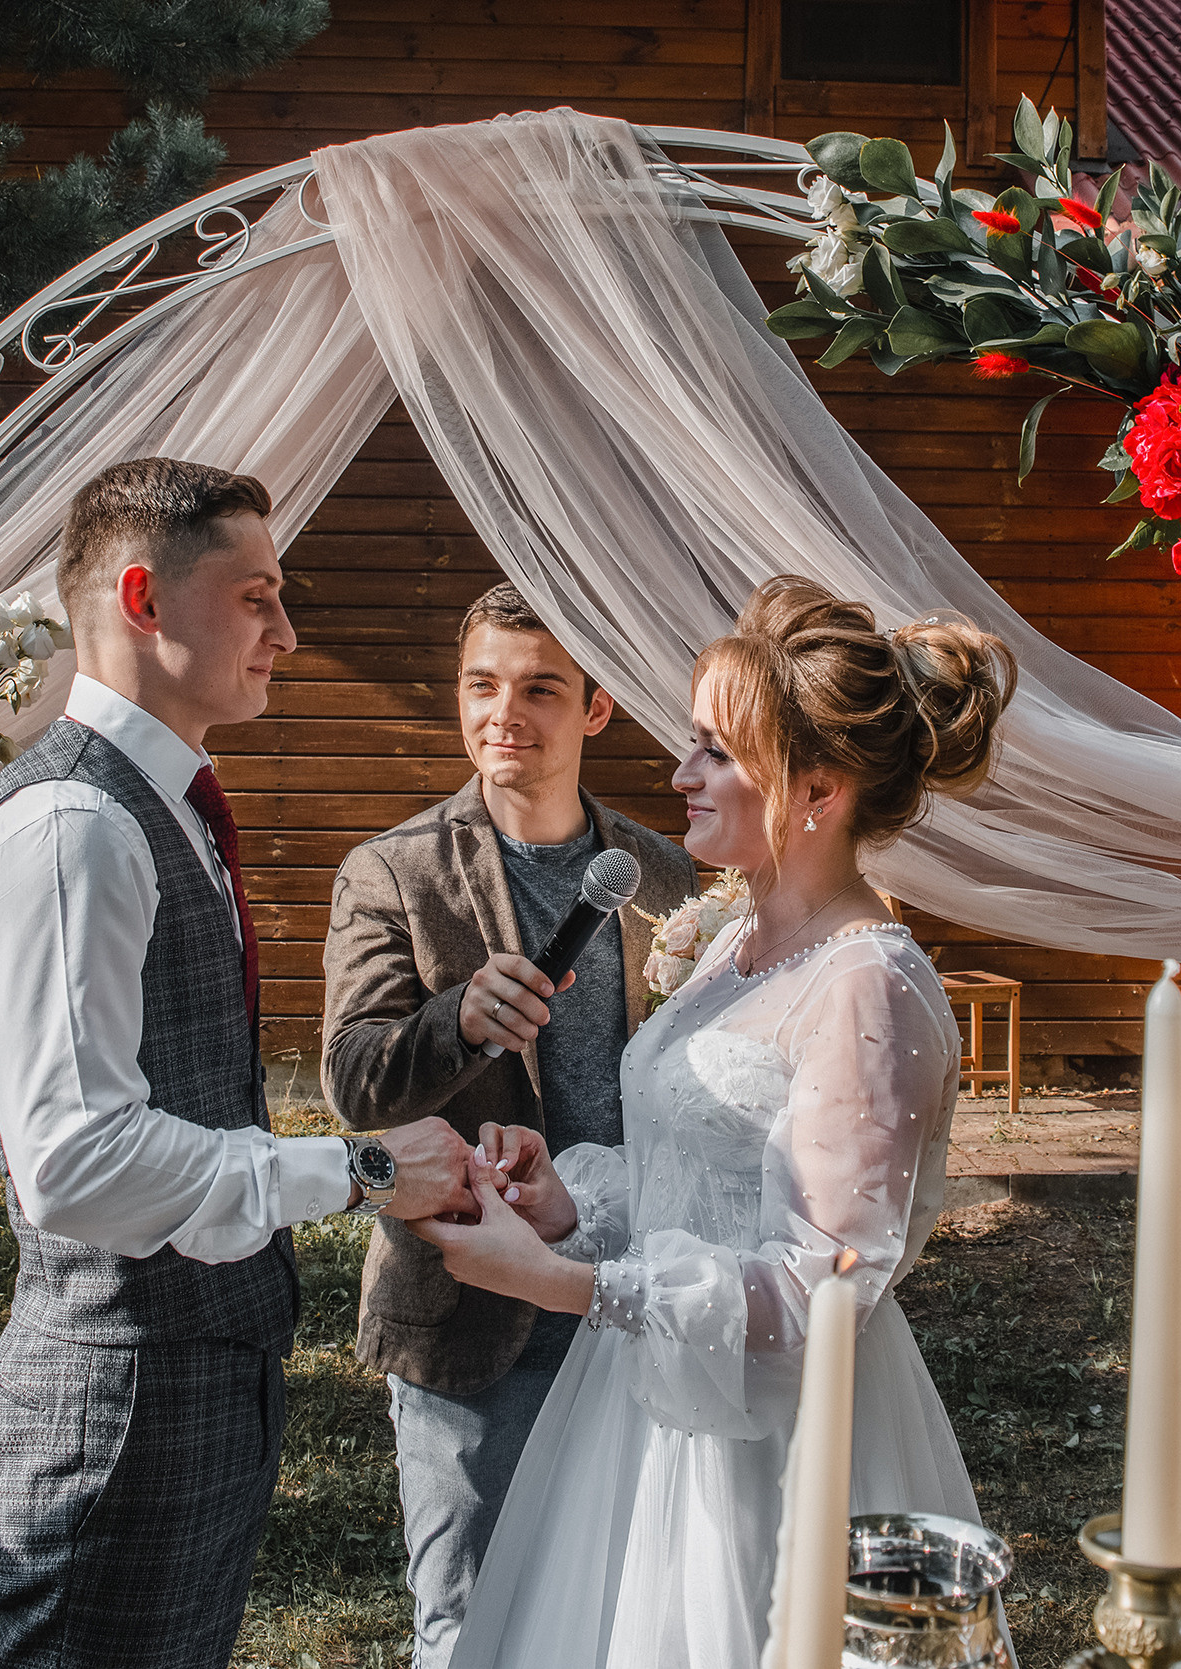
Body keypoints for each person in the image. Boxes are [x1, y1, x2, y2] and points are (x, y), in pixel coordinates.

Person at [409, 575, 1018, 1669]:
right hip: (644, 1409)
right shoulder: (731, 944)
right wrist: (568, 1202)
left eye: (715, 754)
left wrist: (557, 1283)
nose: (678, 774)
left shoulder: (866, 985)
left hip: (770, 1439)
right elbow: (702, 1179)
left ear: (815, 790)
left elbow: (820, 1284)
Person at [0, 457, 473, 1669]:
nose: (287, 631)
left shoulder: (159, 800)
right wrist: (358, 1168)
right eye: (257, 596)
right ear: (142, 599)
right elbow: (77, 1164)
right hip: (119, 1400)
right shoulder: (73, 826)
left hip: (191, 1381)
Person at [321, 583, 698, 1669]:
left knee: (633, 1611)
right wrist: (453, 1024)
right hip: (474, 1313)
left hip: (640, 1288)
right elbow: (353, 1083)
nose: (505, 712)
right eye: (482, 684)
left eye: (540, 688)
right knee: (474, 1623)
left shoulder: (663, 875)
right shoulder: (393, 870)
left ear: (596, 708)